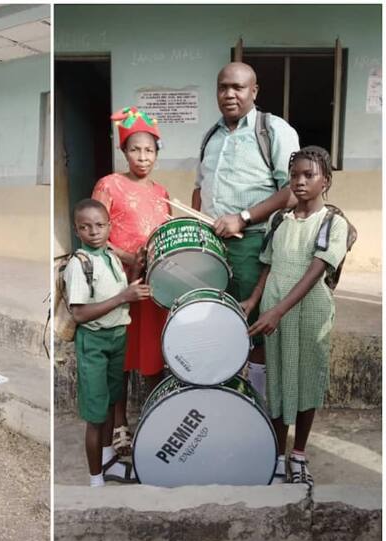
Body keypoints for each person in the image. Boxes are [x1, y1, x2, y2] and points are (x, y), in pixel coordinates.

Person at [240, 147, 348, 488]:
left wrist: (278, 309)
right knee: (279, 381)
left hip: (308, 311)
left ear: (325, 181)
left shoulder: (333, 223)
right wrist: (255, 300)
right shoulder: (279, 220)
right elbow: (268, 265)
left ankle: (298, 454)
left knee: (306, 382)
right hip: (275, 308)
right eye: (295, 175)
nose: (300, 182)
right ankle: (276, 455)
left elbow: (316, 270)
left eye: (309, 175)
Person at [194, 62, 301, 398]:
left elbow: (291, 190)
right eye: (223, 87)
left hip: (252, 244)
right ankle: (221, 395)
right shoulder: (210, 135)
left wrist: (242, 217)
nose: (229, 94)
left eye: (238, 87)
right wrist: (197, 223)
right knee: (214, 319)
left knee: (253, 326)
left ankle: (256, 402)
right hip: (211, 246)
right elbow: (200, 188)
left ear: (254, 91)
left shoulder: (274, 130)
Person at [91, 107, 171, 454]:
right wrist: (126, 258)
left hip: (152, 288)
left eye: (149, 150)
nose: (143, 157)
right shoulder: (109, 185)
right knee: (120, 357)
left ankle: (153, 419)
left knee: (153, 353)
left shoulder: (163, 192)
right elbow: (92, 232)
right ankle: (120, 424)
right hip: (117, 286)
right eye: (135, 149)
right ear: (124, 151)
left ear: (156, 154)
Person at [64, 199, 149, 487]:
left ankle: (110, 461)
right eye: (86, 227)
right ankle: (95, 479)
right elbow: (79, 312)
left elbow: (122, 292)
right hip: (94, 343)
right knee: (96, 414)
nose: (94, 232)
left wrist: (135, 274)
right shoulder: (80, 264)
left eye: (100, 225)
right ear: (77, 231)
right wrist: (123, 297)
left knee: (114, 401)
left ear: (109, 227)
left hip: (117, 338)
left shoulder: (110, 256)